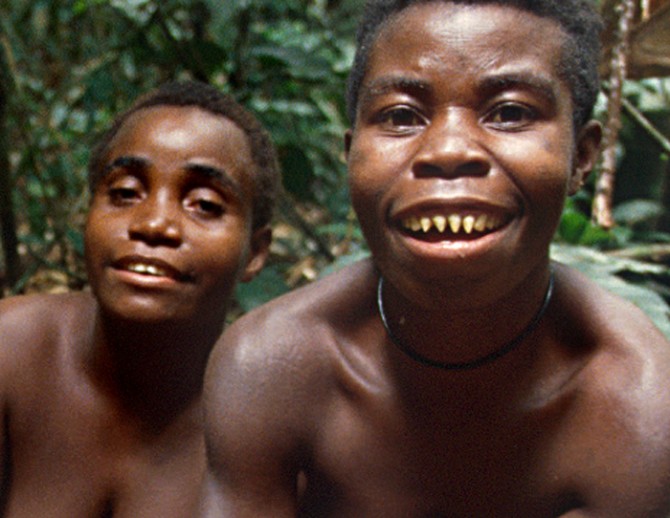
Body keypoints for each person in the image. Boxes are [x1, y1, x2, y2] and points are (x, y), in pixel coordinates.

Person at [200, 0, 670, 516]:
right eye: (401, 116)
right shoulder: (273, 365)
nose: (447, 150)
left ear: (582, 155)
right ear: (352, 151)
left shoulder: (637, 405)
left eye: (510, 113)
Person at [0, 80, 280, 517]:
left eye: (204, 204)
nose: (153, 224)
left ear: (255, 253)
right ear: (87, 214)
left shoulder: (266, 435)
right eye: (125, 193)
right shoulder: (11, 353)